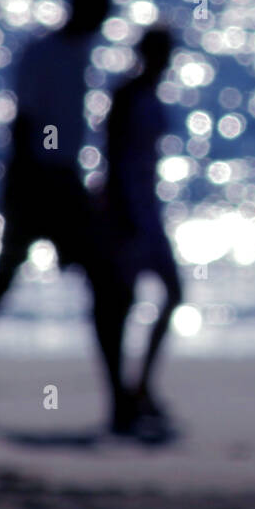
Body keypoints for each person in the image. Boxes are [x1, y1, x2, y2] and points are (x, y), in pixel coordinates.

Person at [0, 0, 134, 432]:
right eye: (102, 8)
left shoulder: (79, 53)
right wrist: (20, 186)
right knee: (8, 282)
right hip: (39, 182)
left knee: (107, 285)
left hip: (66, 180)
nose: (106, 17)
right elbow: (24, 121)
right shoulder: (44, 53)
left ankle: (118, 398)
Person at [104, 25, 182, 441]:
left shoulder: (149, 96)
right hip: (128, 212)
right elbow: (111, 157)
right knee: (124, 302)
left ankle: (141, 385)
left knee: (169, 294)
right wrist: (120, 211)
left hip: (149, 210)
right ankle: (124, 395)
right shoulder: (128, 95)